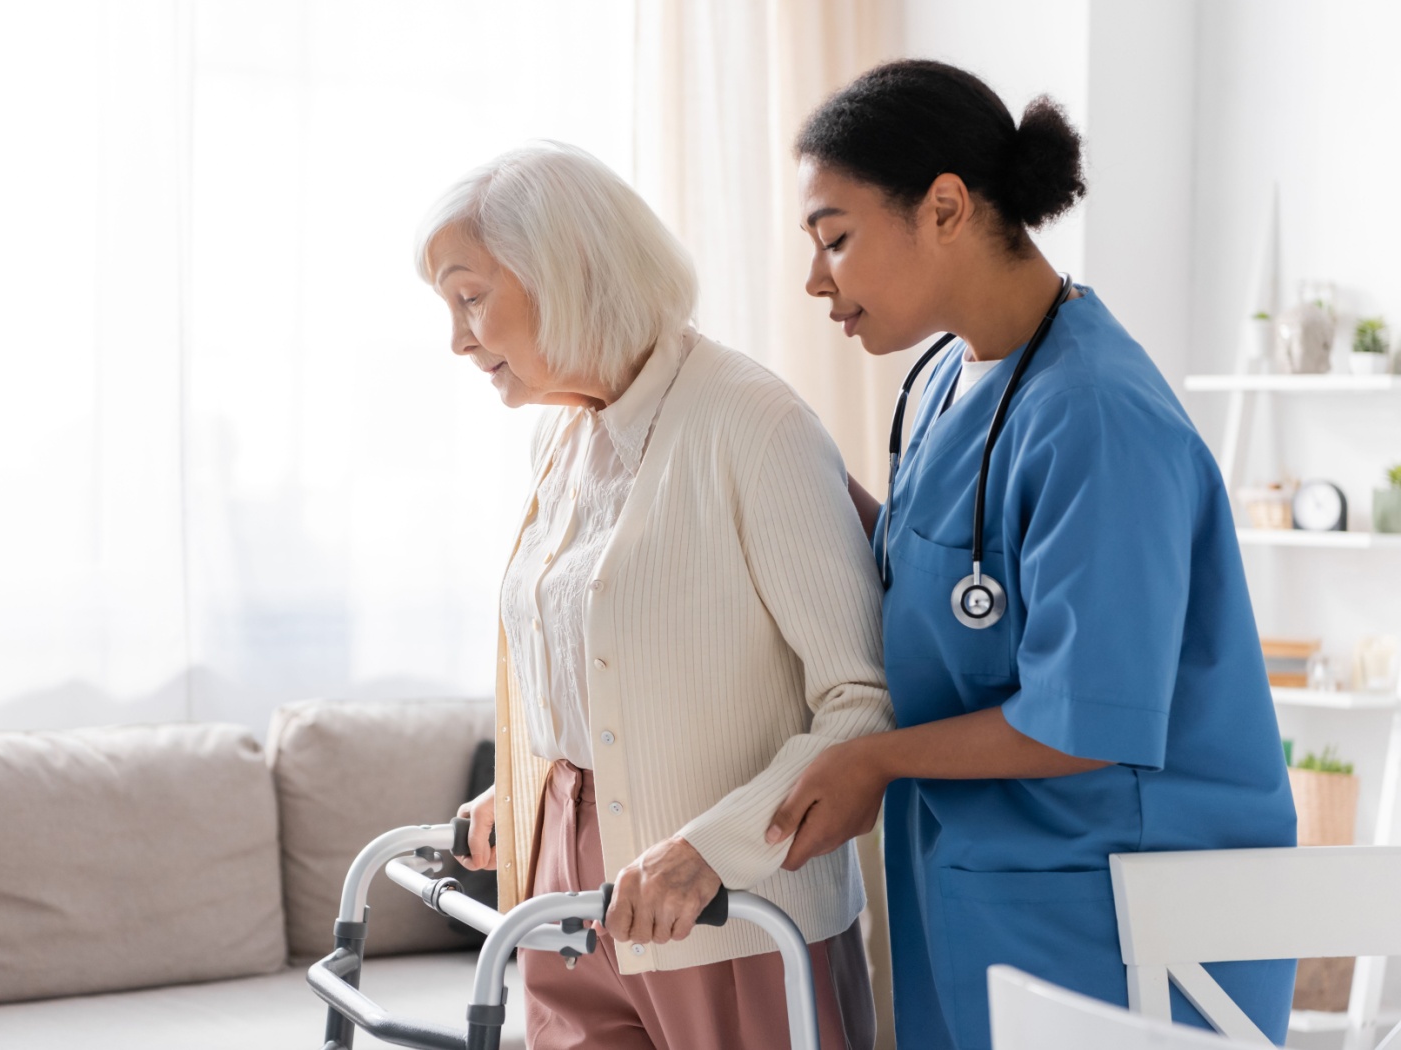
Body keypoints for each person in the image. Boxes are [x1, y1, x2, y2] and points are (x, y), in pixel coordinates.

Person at [763, 60, 1298, 1050]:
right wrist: (781, 478)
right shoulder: (941, 379)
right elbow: (952, 576)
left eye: (836, 238)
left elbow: (1080, 717)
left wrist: (873, 760)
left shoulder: (1096, 416)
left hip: (1121, 904)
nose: (814, 277)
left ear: (946, 208)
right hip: (983, 880)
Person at [416, 141, 888, 1050]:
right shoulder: (561, 441)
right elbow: (577, 662)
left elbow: (862, 704)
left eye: (471, 298)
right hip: (565, 903)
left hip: (728, 907)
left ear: (567, 272)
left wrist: (711, 852)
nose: (458, 338)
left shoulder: (756, 425)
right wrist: (533, 788)